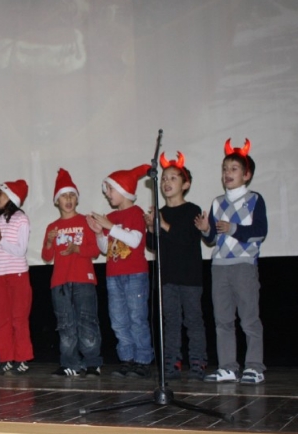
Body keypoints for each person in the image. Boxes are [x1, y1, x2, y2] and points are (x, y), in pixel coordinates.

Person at [195, 139, 268, 384]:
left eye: (234, 169)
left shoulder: (254, 199)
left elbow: (260, 232)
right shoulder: (217, 202)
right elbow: (212, 239)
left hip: (244, 266)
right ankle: (227, 367)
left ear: (247, 175)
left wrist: (233, 228)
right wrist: (206, 230)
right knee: (223, 320)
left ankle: (254, 367)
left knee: (249, 319)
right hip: (219, 267)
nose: (227, 173)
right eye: (225, 169)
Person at [144, 152, 207, 380]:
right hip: (167, 277)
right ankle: (172, 362)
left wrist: (163, 225)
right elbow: (153, 245)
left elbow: (187, 239)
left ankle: (198, 361)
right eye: (163, 178)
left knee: (193, 321)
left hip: (190, 278)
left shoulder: (192, 210)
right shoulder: (160, 213)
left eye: (173, 178)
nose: (166, 182)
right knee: (170, 322)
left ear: (185, 184)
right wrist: (151, 229)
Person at [86, 164, 153, 378]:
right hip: (113, 275)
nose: (107, 194)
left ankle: (142, 360)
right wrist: (99, 233)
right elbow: (105, 249)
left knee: (137, 318)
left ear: (124, 189)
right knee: (118, 320)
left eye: (110, 189)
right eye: (106, 190)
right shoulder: (111, 217)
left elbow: (134, 241)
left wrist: (109, 226)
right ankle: (127, 359)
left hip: (135, 274)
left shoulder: (136, 212)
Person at [41, 169, 102, 377]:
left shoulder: (86, 221)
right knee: (65, 325)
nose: (68, 199)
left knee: (87, 321)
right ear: (57, 201)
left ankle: (92, 362)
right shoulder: (53, 226)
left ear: (77, 199)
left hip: (83, 279)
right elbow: (46, 256)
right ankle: (70, 364)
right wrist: (50, 241)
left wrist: (77, 249)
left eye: (71, 195)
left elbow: (95, 250)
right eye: (64, 196)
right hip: (60, 282)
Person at [0, 179, 33, 376]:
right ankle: (5, 359)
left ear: (11, 197)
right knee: (2, 320)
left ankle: (22, 359)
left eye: (0, 193)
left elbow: (20, 250)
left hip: (17, 275)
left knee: (19, 319)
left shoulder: (21, 219)